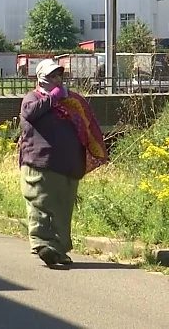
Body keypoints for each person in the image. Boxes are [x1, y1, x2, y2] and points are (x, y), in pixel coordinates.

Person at [18, 58, 109, 266]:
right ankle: (42, 244)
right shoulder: (32, 98)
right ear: (40, 78)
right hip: (39, 164)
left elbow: (89, 127)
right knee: (39, 202)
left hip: (68, 167)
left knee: (61, 211)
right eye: (51, 76)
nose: (57, 80)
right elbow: (29, 113)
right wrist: (52, 98)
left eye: (59, 75)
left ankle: (57, 250)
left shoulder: (74, 102)